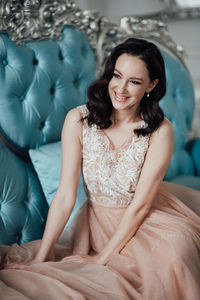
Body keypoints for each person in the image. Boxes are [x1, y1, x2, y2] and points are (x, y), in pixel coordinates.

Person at [0, 38, 200, 300]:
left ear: (152, 85)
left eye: (135, 81)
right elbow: (65, 196)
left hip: (144, 218)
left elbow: (140, 205)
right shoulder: (78, 120)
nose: (121, 88)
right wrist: (41, 255)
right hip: (96, 224)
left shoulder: (161, 131)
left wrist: (102, 259)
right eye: (117, 75)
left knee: (176, 258)